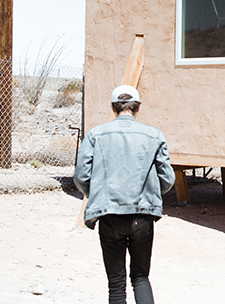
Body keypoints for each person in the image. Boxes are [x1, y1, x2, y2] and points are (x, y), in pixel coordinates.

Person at [74, 84, 175, 304]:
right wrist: (152, 194)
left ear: (113, 107)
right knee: (140, 277)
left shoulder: (95, 135)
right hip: (142, 216)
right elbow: (167, 178)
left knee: (116, 284)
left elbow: (81, 176)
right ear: (138, 107)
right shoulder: (155, 135)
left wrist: (97, 194)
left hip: (109, 215)